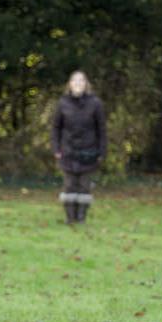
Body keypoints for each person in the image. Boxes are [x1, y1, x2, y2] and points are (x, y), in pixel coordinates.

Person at [51, 71, 107, 224]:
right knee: (69, 185)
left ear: (86, 84)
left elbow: (101, 129)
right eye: (75, 81)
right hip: (67, 151)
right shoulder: (62, 103)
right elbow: (56, 128)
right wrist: (56, 149)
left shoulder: (95, 103)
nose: (78, 84)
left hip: (89, 151)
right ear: (70, 84)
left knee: (84, 187)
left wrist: (102, 151)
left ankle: (81, 218)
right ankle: (70, 218)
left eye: (81, 81)